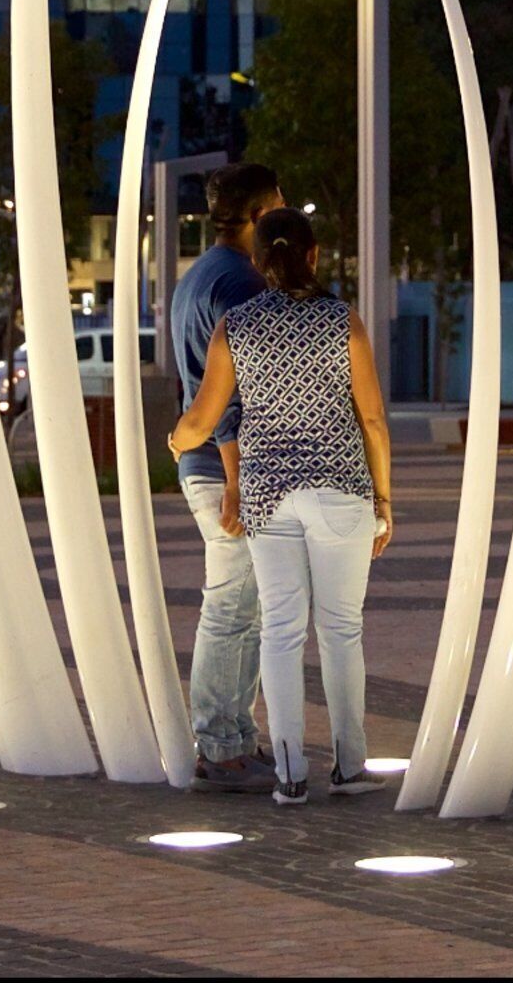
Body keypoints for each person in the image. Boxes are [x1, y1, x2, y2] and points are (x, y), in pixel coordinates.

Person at [168, 206, 396, 807]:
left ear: (259, 259)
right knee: (342, 631)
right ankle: (349, 766)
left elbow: (204, 419)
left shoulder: (235, 326)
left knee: (281, 632)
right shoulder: (342, 321)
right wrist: (384, 499)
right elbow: (371, 418)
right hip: (341, 491)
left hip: (269, 500)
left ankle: (291, 774)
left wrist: (176, 440)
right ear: (314, 255)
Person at [166, 162, 283, 793]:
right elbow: (234, 392)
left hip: (207, 460)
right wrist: (240, 480)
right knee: (233, 606)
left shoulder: (201, 275)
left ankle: (237, 738)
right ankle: (218, 744)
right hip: (225, 466)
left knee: (246, 607)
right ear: (262, 215)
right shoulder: (240, 284)